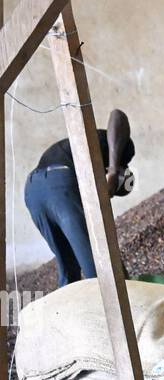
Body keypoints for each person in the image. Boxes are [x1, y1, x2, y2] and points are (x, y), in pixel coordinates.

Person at [24, 109, 135, 286]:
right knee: (100, 267)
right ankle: (128, 305)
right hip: (58, 184)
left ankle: (66, 312)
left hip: (33, 190)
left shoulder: (86, 174)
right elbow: (117, 115)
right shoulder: (115, 149)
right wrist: (114, 170)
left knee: (69, 271)